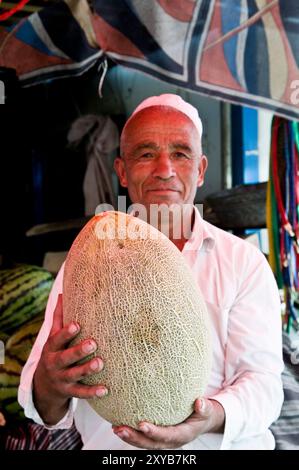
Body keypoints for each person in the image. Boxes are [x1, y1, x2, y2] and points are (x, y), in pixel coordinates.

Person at [19, 94, 284, 450]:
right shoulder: (83, 264)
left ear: (201, 169)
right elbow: (42, 407)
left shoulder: (243, 262)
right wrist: (48, 386)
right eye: (146, 154)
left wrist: (212, 415)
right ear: (122, 173)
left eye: (180, 153)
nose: (165, 169)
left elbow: (264, 385)